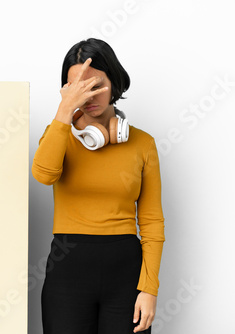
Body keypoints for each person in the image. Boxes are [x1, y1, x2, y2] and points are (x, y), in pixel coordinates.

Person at [32, 38, 165, 334]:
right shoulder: (58, 135)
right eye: (79, 88)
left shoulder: (143, 143)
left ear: (114, 82)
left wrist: (149, 289)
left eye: (96, 85)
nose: (88, 96)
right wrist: (65, 112)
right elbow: (43, 174)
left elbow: (152, 222)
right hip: (67, 270)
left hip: (126, 273)